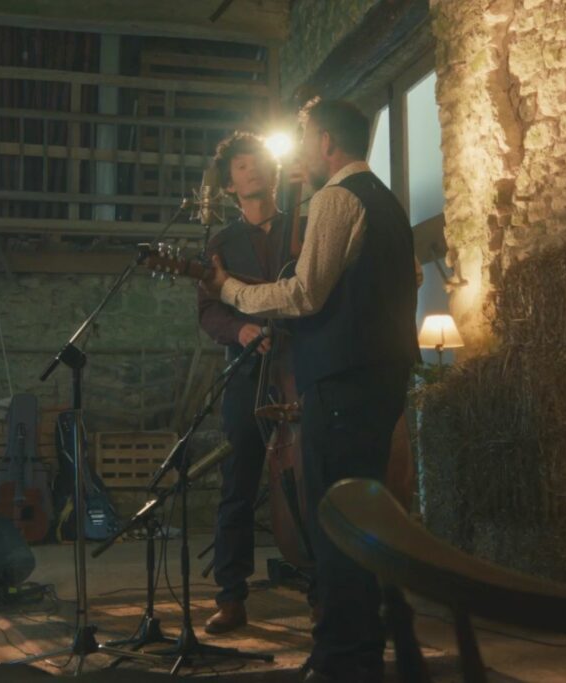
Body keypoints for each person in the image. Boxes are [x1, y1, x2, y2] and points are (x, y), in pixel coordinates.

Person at [204, 98, 421, 683]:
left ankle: (340, 661)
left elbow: (303, 295)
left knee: (337, 523)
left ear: (326, 142)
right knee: (362, 521)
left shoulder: (336, 199)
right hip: (380, 377)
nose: (297, 151)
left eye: (302, 137)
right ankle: (362, 651)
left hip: (342, 384)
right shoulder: (385, 201)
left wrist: (233, 294)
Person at [197, 131, 285, 635]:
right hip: (247, 372)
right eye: (242, 166)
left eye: (259, 161)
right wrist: (241, 329)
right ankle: (231, 596)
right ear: (230, 185)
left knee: (309, 480)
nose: (253, 169)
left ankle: (320, 589)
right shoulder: (222, 243)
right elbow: (209, 311)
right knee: (238, 484)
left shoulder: (303, 227)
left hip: (300, 372)